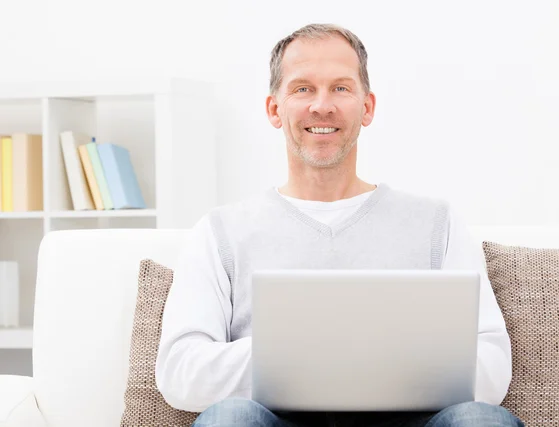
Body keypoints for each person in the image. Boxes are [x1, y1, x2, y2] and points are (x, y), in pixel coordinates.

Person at [155, 23, 524, 427]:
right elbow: (179, 371)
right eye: (302, 89)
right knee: (230, 419)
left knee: (479, 420)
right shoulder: (221, 231)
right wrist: (302, 354)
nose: (322, 106)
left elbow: (491, 369)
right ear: (274, 109)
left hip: (411, 422)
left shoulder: (438, 224)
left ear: (367, 107)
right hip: (274, 421)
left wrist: (373, 353)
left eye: (341, 88)